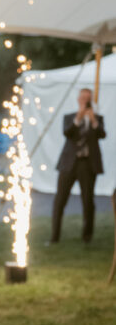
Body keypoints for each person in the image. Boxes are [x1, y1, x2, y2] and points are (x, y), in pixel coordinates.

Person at [51, 87, 106, 244]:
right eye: (82, 98)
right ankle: (55, 236)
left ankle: (87, 237)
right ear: (78, 99)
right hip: (69, 163)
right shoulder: (70, 117)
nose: (85, 101)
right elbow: (67, 133)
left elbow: (102, 134)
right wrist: (79, 118)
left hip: (88, 164)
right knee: (60, 199)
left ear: (91, 100)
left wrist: (93, 120)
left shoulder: (98, 118)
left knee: (88, 200)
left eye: (87, 99)